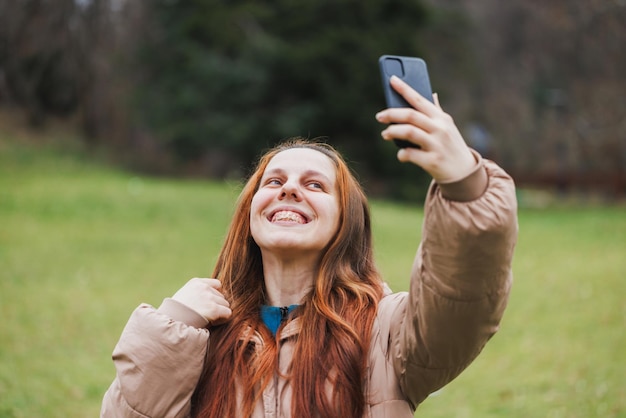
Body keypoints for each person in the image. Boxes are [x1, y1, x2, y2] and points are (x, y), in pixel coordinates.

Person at [100, 75, 518, 418]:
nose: (290, 191)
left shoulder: (387, 332)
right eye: (275, 182)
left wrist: (465, 185)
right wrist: (172, 324)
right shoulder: (199, 335)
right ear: (250, 210)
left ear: (345, 221)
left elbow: (463, 296)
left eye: (314, 185)